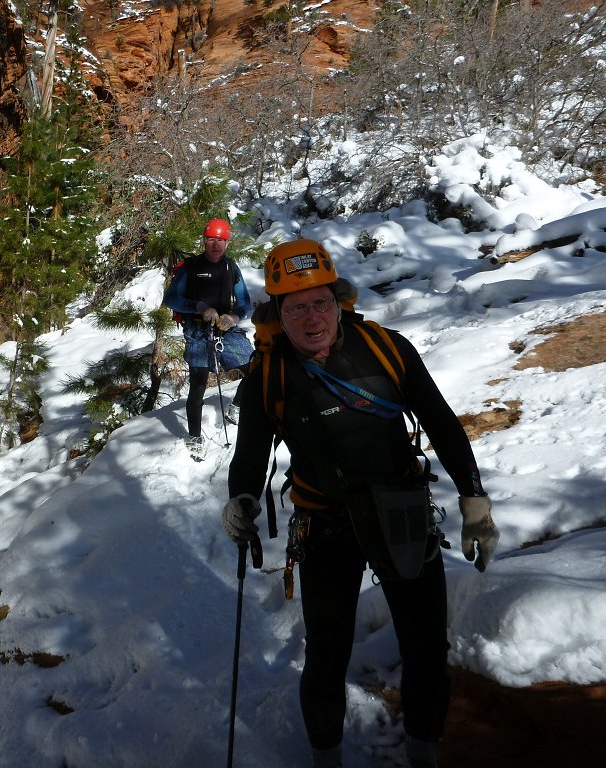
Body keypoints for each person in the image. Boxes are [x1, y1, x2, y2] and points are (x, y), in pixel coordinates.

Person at [220, 240, 499, 768]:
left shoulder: (386, 348)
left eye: (320, 302)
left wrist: (473, 498)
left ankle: (423, 753)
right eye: (295, 307)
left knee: (425, 649)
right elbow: (251, 451)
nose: (311, 317)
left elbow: (440, 421)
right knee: (326, 655)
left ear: (339, 300)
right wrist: (241, 498)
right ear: (276, 314)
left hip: (403, 512)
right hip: (325, 523)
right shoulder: (269, 373)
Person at [162, 218, 254, 455]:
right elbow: (171, 299)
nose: (216, 245)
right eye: (211, 239)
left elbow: (244, 302)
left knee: (256, 367)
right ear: (204, 240)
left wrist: (233, 318)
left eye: (221, 240)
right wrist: (199, 307)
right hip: (197, 330)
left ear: (227, 242)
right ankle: (194, 437)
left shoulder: (230, 267)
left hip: (223, 327)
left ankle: (237, 406)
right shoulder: (191, 267)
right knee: (199, 383)